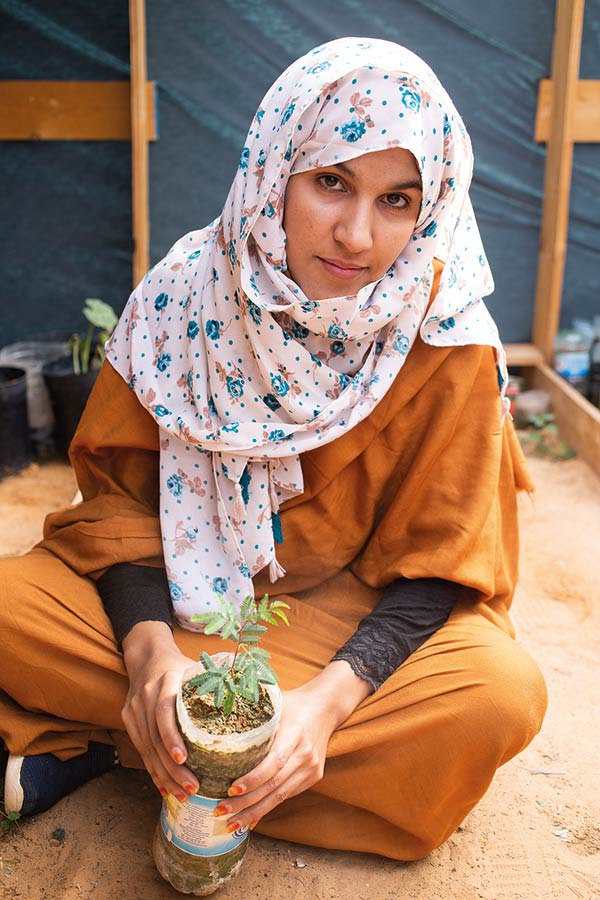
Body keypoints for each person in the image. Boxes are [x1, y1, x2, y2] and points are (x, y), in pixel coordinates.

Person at [0, 37, 546, 860]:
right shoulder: (185, 297)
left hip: (340, 637)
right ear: (275, 167)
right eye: (332, 182)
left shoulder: (448, 339)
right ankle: (183, 744)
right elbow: (116, 508)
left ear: (432, 210)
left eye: (398, 201)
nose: (357, 235)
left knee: (496, 697)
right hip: (182, 609)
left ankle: (119, 747)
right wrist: (150, 660)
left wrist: (322, 708)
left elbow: (445, 566)